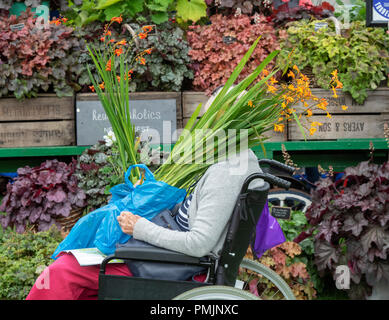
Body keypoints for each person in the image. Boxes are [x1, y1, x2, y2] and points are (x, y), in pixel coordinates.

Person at [26, 149, 264, 300]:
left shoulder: (225, 174)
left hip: (176, 265)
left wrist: (140, 228)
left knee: (63, 270)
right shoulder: (242, 160)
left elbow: (198, 243)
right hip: (170, 254)